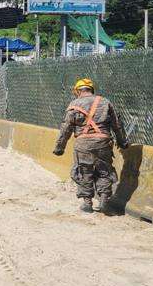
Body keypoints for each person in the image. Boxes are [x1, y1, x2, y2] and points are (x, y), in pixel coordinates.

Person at [53, 78, 130, 214]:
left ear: (77, 91)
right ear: (91, 89)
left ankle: (87, 203)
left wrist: (60, 147)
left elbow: (66, 128)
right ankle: (104, 199)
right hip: (103, 142)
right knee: (104, 171)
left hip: (83, 144)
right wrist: (122, 141)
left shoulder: (74, 105)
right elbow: (117, 124)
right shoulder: (105, 102)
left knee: (84, 172)